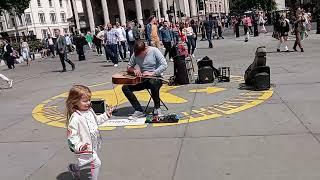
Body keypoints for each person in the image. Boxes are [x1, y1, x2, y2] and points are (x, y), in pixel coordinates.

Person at [66, 85, 114, 180]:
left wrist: (106, 115)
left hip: (93, 143)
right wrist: (79, 146)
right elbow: (72, 136)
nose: (88, 103)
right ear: (75, 101)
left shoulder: (90, 111)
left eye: (89, 100)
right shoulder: (75, 118)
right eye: (84, 101)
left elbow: (96, 120)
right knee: (96, 163)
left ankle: (74, 168)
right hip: (84, 146)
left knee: (87, 162)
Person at [122, 40, 168, 119]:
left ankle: (157, 108)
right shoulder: (136, 53)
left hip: (156, 77)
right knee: (125, 88)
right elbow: (129, 66)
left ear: (145, 49)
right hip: (143, 79)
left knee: (153, 83)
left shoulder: (154, 51)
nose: (139, 56)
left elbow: (164, 65)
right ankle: (138, 110)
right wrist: (134, 70)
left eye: (140, 54)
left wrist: (153, 73)